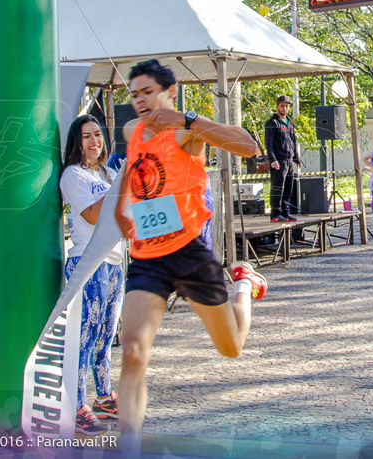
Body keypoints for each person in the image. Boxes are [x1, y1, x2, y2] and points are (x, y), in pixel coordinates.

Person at [113, 60, 268, 455]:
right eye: (134, 94)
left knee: (231, 347)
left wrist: (188, 118)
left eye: (148, 91)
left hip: (189, 253)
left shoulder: (185, 130)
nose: (140, 100)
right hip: (148, 257)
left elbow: (249, 146)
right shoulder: (132, 130)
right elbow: (133, 172)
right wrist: (121, 208)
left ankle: (244, 285)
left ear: (170, 90)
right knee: (132, 352)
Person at [59, 116, 125, 435]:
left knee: (106, 335)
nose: (94, 140)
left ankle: (102, 397)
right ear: (77, 142)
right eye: (87, 136)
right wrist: (120, 186)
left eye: (98, 134)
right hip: (89, 260)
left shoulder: (108, 172)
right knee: (84, 337)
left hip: (115, 261)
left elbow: (126, 212)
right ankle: (75, 405)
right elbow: (93, 214)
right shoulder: (73, 175)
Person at [264, 95, 302, 223]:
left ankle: (286, 213)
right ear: (277, 106)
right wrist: (272, 159)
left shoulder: (290, 122)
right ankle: (275, 214)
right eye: (282, 106)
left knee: (288, 188)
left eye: (287, 106)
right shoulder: (272, 123)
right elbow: (268, 143)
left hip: (289, 159)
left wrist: (297, 158)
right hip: (278, 160)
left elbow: (293, 141)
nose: (284, 108)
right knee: (277, 188)